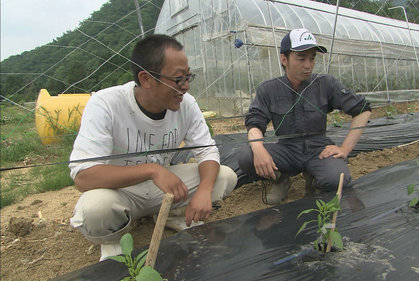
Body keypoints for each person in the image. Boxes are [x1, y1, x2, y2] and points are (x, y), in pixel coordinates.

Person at [68, 34, 237, 261]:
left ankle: (170, 214)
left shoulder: (187, 104)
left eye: (188, 77)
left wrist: (205, 190)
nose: (186, 87)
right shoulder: (106, 104)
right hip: (122, 191)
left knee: (224, 177)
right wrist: (152, 170)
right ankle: (112, 239)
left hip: (164, 190)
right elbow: (83, 176)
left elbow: (207, 150)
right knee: (96, 209)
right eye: (178, 79)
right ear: (146, 79)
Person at [238, 28, 371, 205]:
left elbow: (362, 109)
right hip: (287, 151)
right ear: (284, 59)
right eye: (301, 58)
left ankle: (315, 179)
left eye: (312, 58)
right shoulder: (269, 89)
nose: (308, 65)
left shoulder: (325, 84)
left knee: (337, 179)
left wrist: (345, 148)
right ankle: (280, 179)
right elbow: (255, 122)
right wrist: (259, 149)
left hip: (319, 150)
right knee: (247, 157)